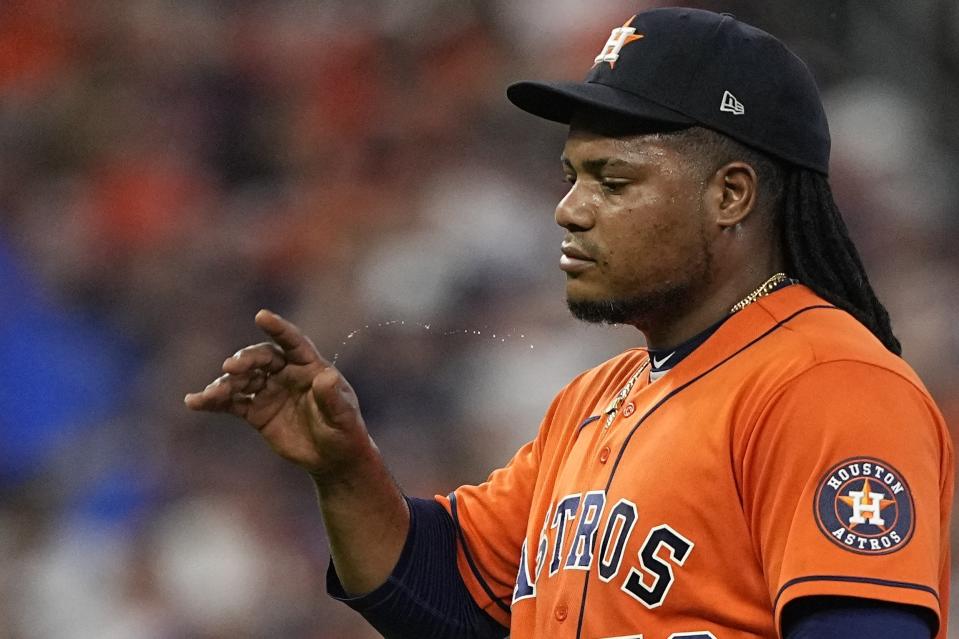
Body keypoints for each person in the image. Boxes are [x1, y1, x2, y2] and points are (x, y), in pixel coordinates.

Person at [185, 7, 952, 639]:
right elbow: (455, 598)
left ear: (730, 195)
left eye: (613, 180)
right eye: (571, 176)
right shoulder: (592, 399)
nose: (569, 208)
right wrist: (345, 471)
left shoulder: (826, 384)